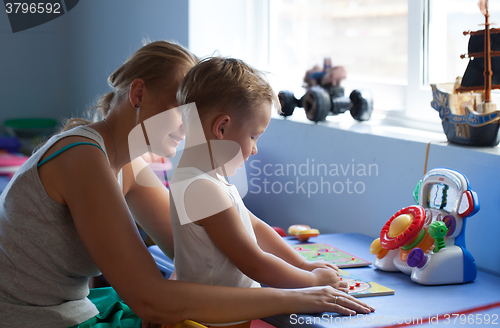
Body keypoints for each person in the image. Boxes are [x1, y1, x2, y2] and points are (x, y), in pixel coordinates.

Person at [0, 41, 373, 328]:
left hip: (70, 309)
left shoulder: (126, 164)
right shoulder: (82, 158)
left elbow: (192, 246)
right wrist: (297, 296)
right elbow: (151, 299)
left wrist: (304, 270)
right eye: (182, 106)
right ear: (139, 95)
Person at [169, 57, 374, 327]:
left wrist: (303, 265)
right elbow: (254, 263)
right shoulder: (203, 188)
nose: (254, 149)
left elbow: (254, 226)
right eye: (253, 136)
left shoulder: (201, 176)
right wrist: (312, 281)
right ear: (221, 128)